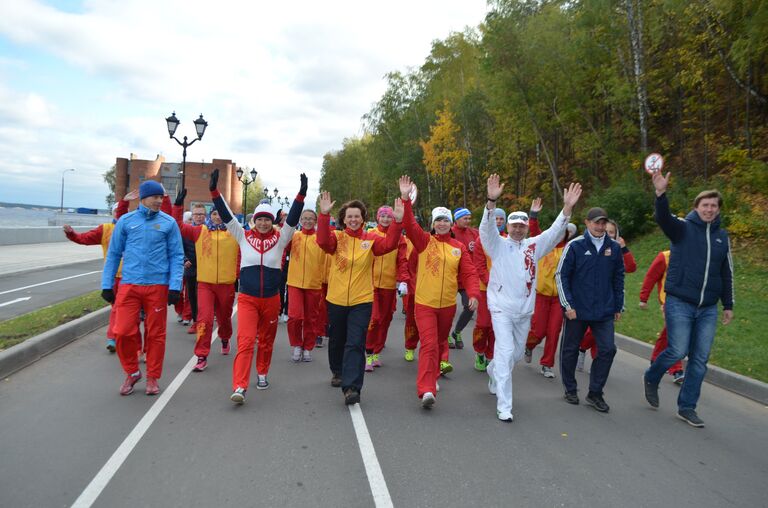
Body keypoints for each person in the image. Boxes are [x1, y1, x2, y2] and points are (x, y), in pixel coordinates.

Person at [482, 174, 582, 421]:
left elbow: (554, 232)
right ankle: (505, 406)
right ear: (507, 227)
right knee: (506, 351)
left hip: (524, 311)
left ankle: (493, 368)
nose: (517, 229)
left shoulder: (533, 247)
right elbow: (487, 230)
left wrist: (567, 209)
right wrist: (491, 202)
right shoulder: (497, 245)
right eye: (514, 225)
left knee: (515, 354)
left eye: (522, 226)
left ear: (527, 227)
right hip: (501, 308)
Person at [643, 171, 733, 428]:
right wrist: (661, 193)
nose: (709, 209)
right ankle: (652, 376)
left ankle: (687, 407)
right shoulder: (682, 228)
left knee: (700, 360)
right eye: (705, 205)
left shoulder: (722, 237)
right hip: (680, 301)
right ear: (696, 207)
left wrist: (728, 305)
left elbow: (726, 272)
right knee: (677, 350)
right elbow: (663, 217)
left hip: (708, 307)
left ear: (718, 210)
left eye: (714, 206)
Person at [210, 171, 306, 404]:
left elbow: (292, 220)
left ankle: (262, 372)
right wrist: (214, 192)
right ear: (255, 220)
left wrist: (301, 195)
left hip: (271, 299)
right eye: (260, 219)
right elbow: (227, 215)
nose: (263, 223)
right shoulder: (242, 236)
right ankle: (240, 386)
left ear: (272, 221)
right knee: (245, 341)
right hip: (248, 299)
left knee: (265, 340)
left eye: (267, 220)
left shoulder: (281, 238)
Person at [398, 176, 480, 409]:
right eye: (438, 220)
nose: (442, 224)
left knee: (440, 341)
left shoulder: (458, 248)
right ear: (433, 224)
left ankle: (432, 375)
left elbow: (469, 273)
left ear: (450, 224)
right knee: (429, 344)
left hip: (447, 306)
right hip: (425, 304)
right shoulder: (424, 242)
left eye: (446, 220)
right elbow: (410, 225)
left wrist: (473, 294)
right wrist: (406, 200)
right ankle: (426, 389)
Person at [316, 191, 404, 406]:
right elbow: (323, 242)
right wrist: (324, 215)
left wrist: (398, 221)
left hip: (361, 300)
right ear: (344, 219)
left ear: (363, 218)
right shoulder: (337, 238)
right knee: (337, 339)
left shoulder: (371, 239)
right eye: (350, 216)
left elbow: (390, 245)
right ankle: (337, 371)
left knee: (355, 343)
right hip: (336, 299)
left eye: (357, 216)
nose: (353, 219)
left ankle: (352, 388)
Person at [101, 180, 184, 396]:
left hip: (157, 286)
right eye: (155, 197)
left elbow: (177, 256)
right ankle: (132, 372)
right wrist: (107, 284)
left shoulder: (168, 223)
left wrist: (175, 286)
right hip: (129, 285)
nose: (159, 201)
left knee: (156, 335)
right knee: (121, 331)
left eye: (161, 197)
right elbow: (113, 254)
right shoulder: (126, 221)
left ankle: (152, 377)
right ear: (144, 198)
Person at [556, 206, 625, 413]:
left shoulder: (613, 248)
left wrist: (618, 305)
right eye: (596, 222)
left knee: (608, 349)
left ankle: (595, 392)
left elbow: (619, 278)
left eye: (603, 223)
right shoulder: (575, 245)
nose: (600, 226)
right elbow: (561, 276)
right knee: (570, 349)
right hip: (577, 310)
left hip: (604, 310)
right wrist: (568, 305)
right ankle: (570, 388)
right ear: (587, 223)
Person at [172, 188, 239, 373]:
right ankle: (201, 356)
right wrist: (177, 206)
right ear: (211, 215)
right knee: (204, 319)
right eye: (215, 214)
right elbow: (177, 226)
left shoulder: (235, 233)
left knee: (224, 319)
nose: (217, 217)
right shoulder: (200, 231)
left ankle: (225, 338)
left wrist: (238, 273)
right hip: (205, 285)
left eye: (221, 214)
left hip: (226, 285)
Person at [64, 190, 135, 352]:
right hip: (112, 278)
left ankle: (116, 338)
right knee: (117, 308)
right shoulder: (105, 229)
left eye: (121, 211)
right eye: (116, 211)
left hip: (130, 277)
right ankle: (115, 338)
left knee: (121, 309)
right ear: (113, 213)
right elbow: (84, 239)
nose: (119, 214)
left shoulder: (131, 228)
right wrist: (71, 233)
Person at [524, 197, 579, 379]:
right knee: (538, 331)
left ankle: (547, 364)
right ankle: (529, 345)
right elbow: (534, 231)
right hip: (541, 295)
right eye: (559, 231)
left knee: (554, 332)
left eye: (564, 232)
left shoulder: (570, 249)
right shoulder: (544, 245)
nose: (560, 235)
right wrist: (533, 215)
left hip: (559, 299)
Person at [575, 218, 637, 370]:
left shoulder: (616, 249)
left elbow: (631, 267)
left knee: (603, 337)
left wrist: (624, 248)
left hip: (611, 299)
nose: (609, 234)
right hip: (592, 298)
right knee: (593, 332)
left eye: (612, 232)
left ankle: (597, 365)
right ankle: (582, 348)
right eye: (606, 231)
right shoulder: (592, 247)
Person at [364, 206, 409, 371]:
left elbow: (402, 260)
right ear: (378, 217)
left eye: (389, 217)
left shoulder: (399, 238)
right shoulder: (370, 234)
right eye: (382, 216)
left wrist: (403, 281)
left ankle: (377, 352)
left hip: (389, 285)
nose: (385, 219)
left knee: (385, 319)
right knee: (374, 318)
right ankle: (368, 353)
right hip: (370, 284)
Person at [286, 209, 326, 362]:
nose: (308, 221)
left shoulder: (320, 239)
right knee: (295, 316)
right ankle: (297, 344)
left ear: (315, 221)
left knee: (311, 318)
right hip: (294, 282)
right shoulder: (294, 236)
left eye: (311, 219)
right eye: (305, 218)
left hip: (313, 283)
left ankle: (308, 347)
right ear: (300, 220)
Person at [639, 249, 685, 384]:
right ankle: (677, 369)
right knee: (677, 334)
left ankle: (655, 360)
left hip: (687, 303)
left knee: (669, 333)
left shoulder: (693, 257)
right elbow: (651, 277)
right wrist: (643, 298)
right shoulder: (665, 257)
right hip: (669, 302)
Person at [448, 206, 478, 349]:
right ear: (457, 219)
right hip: (451, 277)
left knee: (470, 307)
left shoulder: (474, 233)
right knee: (447, 308)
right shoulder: (450, 232)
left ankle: (457, 332)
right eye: (465, 218)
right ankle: (446, 334)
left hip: (466, 278)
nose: (468, 221)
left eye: (469, 218)